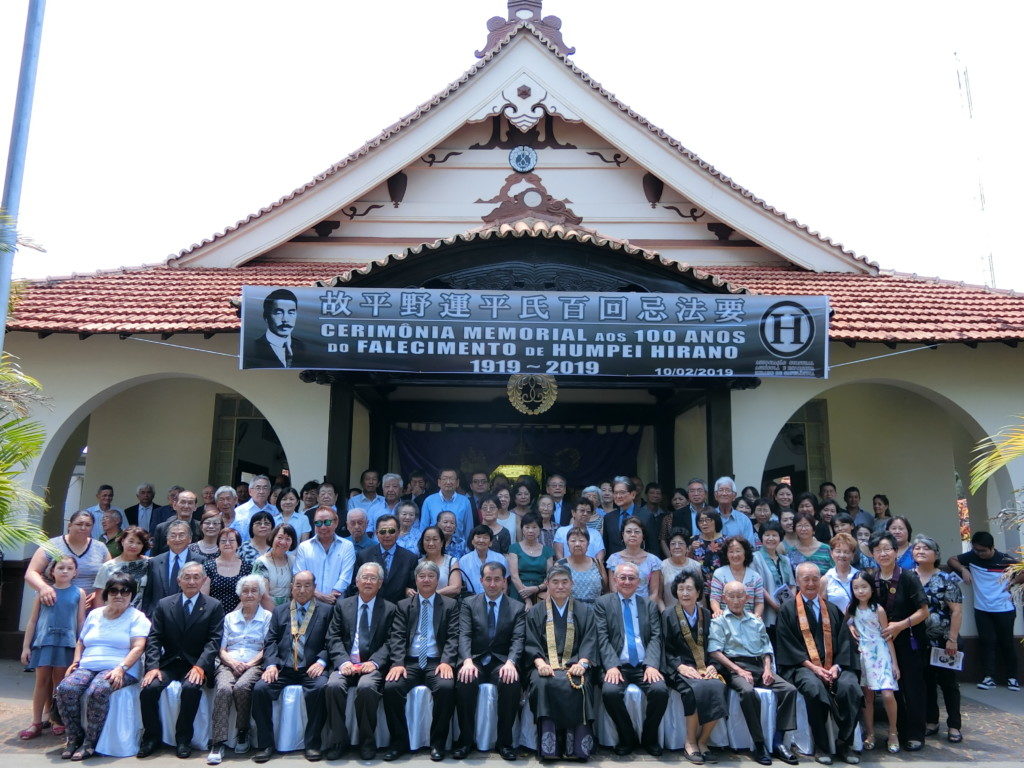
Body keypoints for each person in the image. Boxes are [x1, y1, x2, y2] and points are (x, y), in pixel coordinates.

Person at [54, 574, 149, 760]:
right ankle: (74, 737)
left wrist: (121, 668)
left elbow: (138, 647)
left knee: (98, 690)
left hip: (121, 668)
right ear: (106, 593)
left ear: (132, 595)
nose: (119, 595)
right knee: (66, 688)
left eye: (125, 591)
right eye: (114, 591)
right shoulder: (95, 614)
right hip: (88, 665)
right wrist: (75, 662)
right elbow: (81, 641)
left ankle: (91, 742)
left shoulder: (137, 617)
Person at [775, 562, 863, 764]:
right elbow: (788, 645)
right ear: (797, 581)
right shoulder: (787, 610)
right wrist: (814, 667)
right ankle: (822, 746)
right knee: (814, 688)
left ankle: (845, 743)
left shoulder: (832, 609)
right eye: (806, 579)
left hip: (834, 666)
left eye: (815, 578)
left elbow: (844, 642)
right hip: (802, 666)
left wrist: (836, 666)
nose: (811, 583)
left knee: (850, 687)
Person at [137, 562, 225, 759]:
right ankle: (151, 738)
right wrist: (151, 666)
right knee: (149, 688)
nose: (191, 581)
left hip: (195, 663)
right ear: (179, 581)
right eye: (187, 577)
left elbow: (214, 641)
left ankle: (184, 739)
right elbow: (154, 638)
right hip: (168, 663)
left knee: (190, 688)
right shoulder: (164, 604)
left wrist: (200, 666)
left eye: (196, 577)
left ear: (203, 580)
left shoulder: (213, 606)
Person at [709, 581, 798, 766]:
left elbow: (766, 649)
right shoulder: (719, 620)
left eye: (740, 596)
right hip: (734, 667)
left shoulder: (756, 620)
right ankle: (759, 743)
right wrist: (739, 670)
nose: (735, 600)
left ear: (747, 598)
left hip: (759, 666)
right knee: (748, 692)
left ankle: (779, 741)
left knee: (789, 689)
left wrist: (767, 669)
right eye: (731, 596)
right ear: (724, 599)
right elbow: (715, 651)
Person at [251, 571, 333, 762]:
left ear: (314, 588)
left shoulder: (326, 611)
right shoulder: (280, 610)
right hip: (283, 668)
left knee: (320, 688)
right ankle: (265, 744)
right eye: (298, 585)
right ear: (291, 587)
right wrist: (270, 665)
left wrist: (322, 661)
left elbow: (332, 641)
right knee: (260, 689)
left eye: (307, 586)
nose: (302, 590)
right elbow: (270, 640)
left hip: (311, 667)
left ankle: (313, 744)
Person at [382, 560, 459, 762]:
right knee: (391, 687)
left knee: (446, 687)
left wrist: (447, 661)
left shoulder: (450, 605)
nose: (426, 580)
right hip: (410, 662)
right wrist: (398, 663)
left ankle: (438, 743)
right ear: (415, 579)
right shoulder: (404, 605)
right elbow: (396, 636)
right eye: (422, 576)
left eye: (431, 576)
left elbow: (453, 637)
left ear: (437, 580)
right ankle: (399, 742)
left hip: (436, 661)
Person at [324, 562, 397, 761]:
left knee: (366, 688)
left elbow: (392, 641)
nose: (368, 581)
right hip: (347, 663)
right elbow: (333, 637)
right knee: (332, 685)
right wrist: (342, 662)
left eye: (373, 578)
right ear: (356, 581)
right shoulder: (342, 605)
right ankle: (338, 741)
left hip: (371, 666)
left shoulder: (389, 608)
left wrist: (374, 663)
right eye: (364, 577)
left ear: (380, 583)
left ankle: (367, 741)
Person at [523, 565, 597, 762]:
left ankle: (577, 748)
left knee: (580, 684)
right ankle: (550, 748)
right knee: (542, 683)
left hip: (575, 667)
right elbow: (530, 642)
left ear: (572, 584)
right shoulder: (536, 612)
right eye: (555, 582)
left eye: (565, 582)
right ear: (547, 584)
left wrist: (583, 663)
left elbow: (590, 639)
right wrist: (539, 663)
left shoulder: (584, 611)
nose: (560, 586)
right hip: (546, 666)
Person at [453, 562, 526, 760]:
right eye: (488, 579)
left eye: (497, 580)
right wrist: (466, 660)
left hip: (501, 661)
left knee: (510, 682)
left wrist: (511, 662)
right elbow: (464, 635)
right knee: (465, 680)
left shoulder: (517, 607)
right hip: (475, 659)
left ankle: (505, 742)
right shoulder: (469, 603)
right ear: (481, 581)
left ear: (504, 582)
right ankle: (465, 741)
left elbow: (518, 639)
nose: (492, 584)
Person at [594, 562, 669, 757]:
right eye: (623, 577)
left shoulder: (649, 605)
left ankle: (649, 738)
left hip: (644, 665)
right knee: (610, 692)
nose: (627, 582)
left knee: (660, 691)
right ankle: (627, 737)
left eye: (631, 578)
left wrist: (652, 665)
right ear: (615, 580)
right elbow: (602, 637)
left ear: (639, 582)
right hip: (618, 665)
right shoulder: (603, 603)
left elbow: (655, 636)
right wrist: (611, 666)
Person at [868, 531, 929, 751]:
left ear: (895, 552)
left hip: (908, 640)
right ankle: (898, 732)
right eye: (877, 550)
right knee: (893, 689)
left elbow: (924, 611)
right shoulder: (871, 578)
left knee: (912, 687)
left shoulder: (908, 577)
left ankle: (915, 735)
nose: (882, 553)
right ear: (872, 554)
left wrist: (900, 625)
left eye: (887, 549)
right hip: (883, 644)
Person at [663, 570, 727, 764]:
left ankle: (703, 740)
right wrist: (679, 667)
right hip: (680, 669)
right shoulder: (668, 615)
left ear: (699, 592)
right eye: (681, 589)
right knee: (693, 690)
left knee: (718, 686)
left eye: (689, 589)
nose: (685, 593)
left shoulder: (707, 615)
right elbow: (665, 648)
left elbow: (716, 645)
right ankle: (690, 742)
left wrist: (714, 666)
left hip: (705, 667)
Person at [208, 575, 272, 764]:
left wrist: (249, 664)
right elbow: (221, 648)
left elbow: (267, 647)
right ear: (239, 595)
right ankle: (218, 742)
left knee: (243, 686)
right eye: (245, 591)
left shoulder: (267, 617)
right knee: (224, 689)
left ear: (261, 595)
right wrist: (233, 663)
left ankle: (242, 732)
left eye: (254, 591)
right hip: (229, 663)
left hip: (255, 663)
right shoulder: (229, 617)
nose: (249, 594)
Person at [20, 558, 86, 741]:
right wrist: (26, 646)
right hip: (44, 642)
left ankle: (57, 719)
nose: (65, 571)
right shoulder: (42, 592)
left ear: (75, 572)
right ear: (52, 571)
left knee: (59, 682)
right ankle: (36, 721)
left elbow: (80, 621)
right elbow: (33, 620)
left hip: (67, 644)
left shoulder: (78, 593)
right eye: (61, 567)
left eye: (69, 568)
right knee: (41, 682)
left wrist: (81, 647)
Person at [948, 529, 1022, 691]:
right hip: (982, 609)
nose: (979, 553)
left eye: (982, 551)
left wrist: (1012, 582)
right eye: (976, 550)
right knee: (987, 642)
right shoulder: (972, 557)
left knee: (1007, 643)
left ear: (991, 548)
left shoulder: (1005, 560)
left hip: (1005, 608)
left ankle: (1012, 677)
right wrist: (964, 569)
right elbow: (951, 560)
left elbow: (1022, 571)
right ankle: (989, 677)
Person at [912, 536, 963, 743]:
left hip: (943, 641)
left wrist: (952, 639)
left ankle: (954, 725)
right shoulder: (908, 577)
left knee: (948, 683)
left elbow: (957, 610)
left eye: (926, 548)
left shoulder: (946, 578)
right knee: (926, 683)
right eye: (917, 548)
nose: (920, 551)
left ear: (936, 554)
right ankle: (931, 721)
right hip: (916, 640)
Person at [847, 571, 900, 754]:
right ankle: (870, 733)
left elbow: (887, 636)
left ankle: (893, 731)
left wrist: (895, 663)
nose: (860, 591)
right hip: (863, 655)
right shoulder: (852, 608)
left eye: (864, 587)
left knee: (887, 694)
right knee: (867, 697)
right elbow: (846, 623)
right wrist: (851, 626)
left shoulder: (878, 609)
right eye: (856, 588)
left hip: (880, 653)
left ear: (871, 588)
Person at [26, 511, 110, 611]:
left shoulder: (100, 547)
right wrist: (43, 588)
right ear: (70, 525)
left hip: (89, 608)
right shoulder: (52, 545)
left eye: (88, 525)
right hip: (54, 605)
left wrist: (99, 593)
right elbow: (31, 573)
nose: (83, 528)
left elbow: (111, 575)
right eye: (79, 524)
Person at [293, 507, 356, 605]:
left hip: (336, 602)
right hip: (309, 602)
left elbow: (345, 577)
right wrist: (320, 596)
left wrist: (332, 597)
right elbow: (299, 575)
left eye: (327, 522)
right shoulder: (304, 547)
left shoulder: (347, 546)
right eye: (318, 523)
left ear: (336, 523)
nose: (322, 527)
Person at [351, 514, 418, 604]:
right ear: (376, 533)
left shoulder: (410, 558)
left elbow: (413, 588)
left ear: (398, 533)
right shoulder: (364, 556)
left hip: (398, 610)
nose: (387, 535)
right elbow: (355, 585)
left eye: (391, 531)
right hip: (371, 607)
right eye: (383, 531)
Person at [140, 520, 201, 615]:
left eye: (181, 535)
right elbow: (148, 594)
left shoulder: (200, 561)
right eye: (173, 535)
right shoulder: (154, 562)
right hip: (158, 616)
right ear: (167, 540)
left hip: (188, 616)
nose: (177, 539)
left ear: (190, 539)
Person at [606, 516, 664, 610]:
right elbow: (614, 590)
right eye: (628, 531)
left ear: (643, 536)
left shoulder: (653, 560)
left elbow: (654, 593)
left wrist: (643, 610)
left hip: (645, 608)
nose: (633, 534)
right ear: (623, 535)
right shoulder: (614, 559)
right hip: (620, 608)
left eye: (637, 532)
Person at [751, 521, 794, 638]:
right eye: (767, 535)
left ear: (780, 538)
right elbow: (758, 586)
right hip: (767, 609)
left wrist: (790, 604)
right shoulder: (755, 558)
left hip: (786, 610)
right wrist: (774, 605)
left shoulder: (785, 559)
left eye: (774, 535)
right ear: (761, 537)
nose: (771, 538)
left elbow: (792, 584)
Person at [246, 288, 307, 368]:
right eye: (278, 313)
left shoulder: (302, 347)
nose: (285, 319)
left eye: (291, 312)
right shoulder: (253, 348)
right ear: (266, 317)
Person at [92, 525, 151, 609]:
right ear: (122, 541)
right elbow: (100, 597)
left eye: (139, 543)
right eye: (131, 541)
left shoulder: (150, 563)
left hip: (141, 615)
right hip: (113, 614)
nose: (134, 546)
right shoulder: (107, 567)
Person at [709, 536, 765, 618]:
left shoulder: (755, 576)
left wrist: (756, 616)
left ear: (745, 553)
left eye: (738, 551)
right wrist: (717, 611)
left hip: (749, 621)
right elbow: (714, 598)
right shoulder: (719, 573)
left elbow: (759, 602)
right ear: (726, 554)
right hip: (726, 620)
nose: (735, 555)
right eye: (731, 552)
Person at [602, 477, 658, 557]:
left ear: (633, 494)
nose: (618, 496)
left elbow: (653, 547)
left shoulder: (646, 516)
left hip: (641, 564)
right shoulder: (608, 518)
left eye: (622, 492)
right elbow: (607, 547)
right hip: (615, 566)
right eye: (615, 493)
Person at [201, 528, 253, 614]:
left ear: (238, 544)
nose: (227, 544)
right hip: (213, 614)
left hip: (240, 615)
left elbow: (248, 596)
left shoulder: (247, 568)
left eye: (232, 540)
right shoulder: (208, 566)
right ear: (218, 544)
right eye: (223, 541)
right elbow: (204, 596)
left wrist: (232, 617)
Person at [556, 526, 605, 604]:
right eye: (573, 541)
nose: (577, 544)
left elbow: (605, 589)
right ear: (567, 544)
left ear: (588, 544)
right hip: (569, 610)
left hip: (595, 611)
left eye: (582, 541)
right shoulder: (560, 565)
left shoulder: (597, 563)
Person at [252, 524, 298, 608]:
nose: (283, 542)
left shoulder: (294, 561)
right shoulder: (262, 562)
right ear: (273, 538)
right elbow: (263, 596)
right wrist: (277, 617)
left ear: (292, 543)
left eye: (288, 539)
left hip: (289, 609)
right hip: (267, 611)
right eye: (280, 537)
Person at [420, 468, 473, 539]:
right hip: (434, 546)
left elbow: (468, 529)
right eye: (445, 479)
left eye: (451, 479)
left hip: (458, 547)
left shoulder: (465, 501)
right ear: (439, 482)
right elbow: (423, 528)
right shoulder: (429, 501)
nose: (448, 482)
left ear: (457, 482)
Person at [459, 525, 509, 595]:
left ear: (491, 543)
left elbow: (504, 586)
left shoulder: (500, 559)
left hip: (496, 598)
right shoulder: (464, 560)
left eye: (485, 538)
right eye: (478, 537)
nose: (481, 540)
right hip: (471, 600)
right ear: (472, 541)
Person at [659, 527, 702, 608]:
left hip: (693, 615)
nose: (677, 546)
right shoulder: (662, 566)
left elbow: (700, 596)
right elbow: (659, 597)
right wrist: (665, 614)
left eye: (681, 543)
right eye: (673, 544)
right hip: (671, 615)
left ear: (687, 547)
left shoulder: (696, 566)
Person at [418, 525, 464, 598]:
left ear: (442, 542)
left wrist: (431, 595)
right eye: (427, 540)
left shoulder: (451, 561)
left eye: (435, 539)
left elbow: (456, 588)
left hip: (446, 606)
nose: (431, 543)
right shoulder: (418, 563)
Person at [821, 532, 860, 613]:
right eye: (838, 551)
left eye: (846, 552)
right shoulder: (825, 579)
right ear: (831, 553)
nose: (842, 555)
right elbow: (822, 608)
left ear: (853, 555)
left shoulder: (860, 576)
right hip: (836, 623)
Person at [152, 490, 200, 555]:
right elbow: (154, 556)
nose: (186, 506)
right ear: (174, 505)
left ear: (195, 507)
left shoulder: (201, 528)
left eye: (190, 503)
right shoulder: (161, 528)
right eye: (182, 502)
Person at [786, 511, 834, 576]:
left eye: (807, 525)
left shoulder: (826, 549)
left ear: (813, 529)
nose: (803, 529)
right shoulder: (791, 552)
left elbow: (834, 571)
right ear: (795, 530)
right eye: (799, 525)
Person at [234, 476, 277, 543]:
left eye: (265, 488)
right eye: (258, 488)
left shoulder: (276, 511)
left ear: (269, 491)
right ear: (250, 491)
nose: (261, 491)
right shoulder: (239, 511)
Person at [690, 509, 727, 587]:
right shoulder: (693, 540)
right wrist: (691, 549)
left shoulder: (725, 541)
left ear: (716, 521)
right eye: (700, 521)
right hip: (699, 584)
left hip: (722, 583)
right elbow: (686, 562)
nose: (704, 523)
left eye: (708, 520)